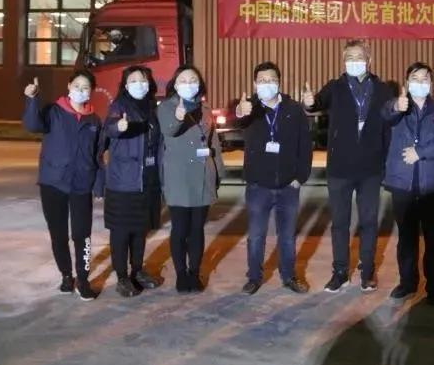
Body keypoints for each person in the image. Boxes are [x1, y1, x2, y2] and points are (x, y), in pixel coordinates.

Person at [302, 40, 393, 293]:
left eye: (359, 56)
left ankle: (367, 271)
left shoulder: (382, 89)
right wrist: (309, 102)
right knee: (340, 223)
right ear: (343, 61)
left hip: (370, 168)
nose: (354, 61)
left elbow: (390, 120)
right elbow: (316, 103)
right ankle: (340, 271)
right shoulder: (335, 87)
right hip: (340, 168)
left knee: (369, 222)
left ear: (369, 59)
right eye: (349, 57)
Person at [22, 70, 103, 301]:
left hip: (81, 184)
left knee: (82, 234)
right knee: (58, 234)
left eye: (85, 87)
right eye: (77, 85)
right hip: (53, 183)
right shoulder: (53, 111)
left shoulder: (94, 120)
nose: (80, 90)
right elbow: (32, 125)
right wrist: (32, 99)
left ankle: (83, 280)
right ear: (69, 86)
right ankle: (67, 275)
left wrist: (99, 183)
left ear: (91, 91)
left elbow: (97, 155)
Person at [382, 62, 434, 305]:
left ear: (431, 83)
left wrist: (420, 152)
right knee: (406, 237)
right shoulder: (398, 106)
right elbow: (385, 116)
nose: (421, 82)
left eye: (425, 78)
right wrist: (396, 106)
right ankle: (407, 283)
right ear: (407, 82)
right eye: (415, 78)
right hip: (402, 183)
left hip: (432, 184)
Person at [235, 61, 313, 295]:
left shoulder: (293, 109)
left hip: (288, 186)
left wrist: (300, 177)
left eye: (271, 80)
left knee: (287, 237)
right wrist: (240, 111)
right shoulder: (251, 108)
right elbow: (239, 120)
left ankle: (289, 276)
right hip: (258, 186)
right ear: (254, 83)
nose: (267, 84)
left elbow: (305, 144)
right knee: (256, 236)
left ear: (279, 82)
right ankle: (254, 277)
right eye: (262, 80)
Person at [157, 66, 224, 294]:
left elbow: (213, 143)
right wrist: (178, 117)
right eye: (183, 80)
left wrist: (219, 172)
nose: (189, 84)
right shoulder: (166, 107)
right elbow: (169, 130)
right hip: (178, 177)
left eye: (193, 79)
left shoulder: (205, 108)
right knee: (180, 228)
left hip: (203, 175)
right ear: (175, 84)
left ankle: (194, 273)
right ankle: (181, 274)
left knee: (197, 228)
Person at [101, 66, 163, 298]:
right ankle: (122, 277)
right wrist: (118, 127)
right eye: (134, 80)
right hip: (123, 181)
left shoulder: (152, 108)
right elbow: (109, 127)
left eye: (143, 79)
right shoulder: (119, 106)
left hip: (146, 180)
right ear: (126, 85)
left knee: (140, 230)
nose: (139, 84)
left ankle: (137, 270)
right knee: (121, 232)